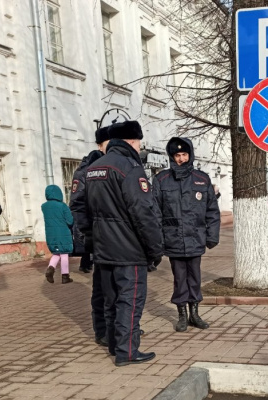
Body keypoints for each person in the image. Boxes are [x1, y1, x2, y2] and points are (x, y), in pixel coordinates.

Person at [84, 120, 163, 366]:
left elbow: (83, 210)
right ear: (131, 141)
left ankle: (113, 344)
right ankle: (127, 351)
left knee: (111, 299)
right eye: (139, 142)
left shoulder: (94, 168)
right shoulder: (130, 168)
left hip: (103, 248)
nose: (140, 147)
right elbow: (143, 212)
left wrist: (92, 240)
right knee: (130, 299)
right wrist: (155, 248)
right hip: (129, 249)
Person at [157, 137, 220, 333]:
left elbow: (212, 210)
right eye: (177, 155)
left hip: (195, 238)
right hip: (173, 239)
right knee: (179, 278)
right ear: (172, 157)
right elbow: (155, 212)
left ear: (190, 155)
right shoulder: (161, 179)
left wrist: (212, 236)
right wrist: (158, 241)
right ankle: (182, 315)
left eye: (184, 154)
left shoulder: (202, 179)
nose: (181, 159)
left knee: (195, 278)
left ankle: (195, 314)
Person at [69, 125, 110, 346]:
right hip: (98, 237)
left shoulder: (119, 165)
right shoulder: (85, 170)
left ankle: (123, 326)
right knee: (101, 287)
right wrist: (89, 234)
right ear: (100, 145)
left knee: (119, 287)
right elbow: (77, 206)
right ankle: (101, 330)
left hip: (117, 238)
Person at [42, 185, 75, 284]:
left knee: (56, 253)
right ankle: (65, 276)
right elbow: (70, 221)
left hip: (51, 234)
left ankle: (50, 269)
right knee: (64, 253)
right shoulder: (63, 206)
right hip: (63, 233)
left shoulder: (44, 206)